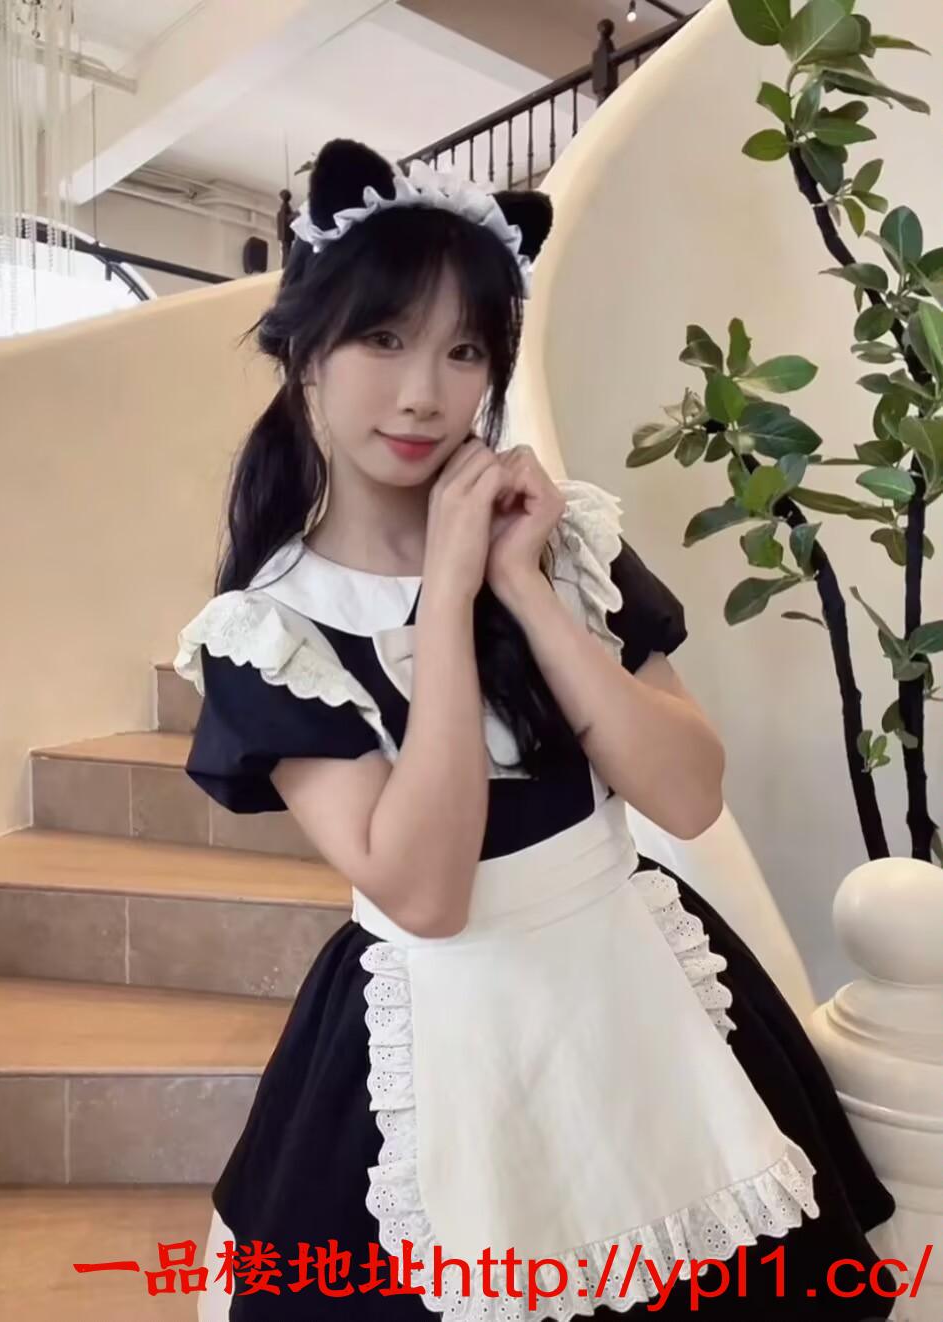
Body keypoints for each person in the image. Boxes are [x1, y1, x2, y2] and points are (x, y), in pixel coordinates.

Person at [173, 137, 898, 1321]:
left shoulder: (570, 541)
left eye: (465, 350)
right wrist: (447, 594)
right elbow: (424, 890)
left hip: (635, 990)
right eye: (383, 339)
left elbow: (687, 793)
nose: (425, 392)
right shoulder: (271, 630)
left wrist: (522, 584)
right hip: (441, 1025)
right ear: (303, 349)